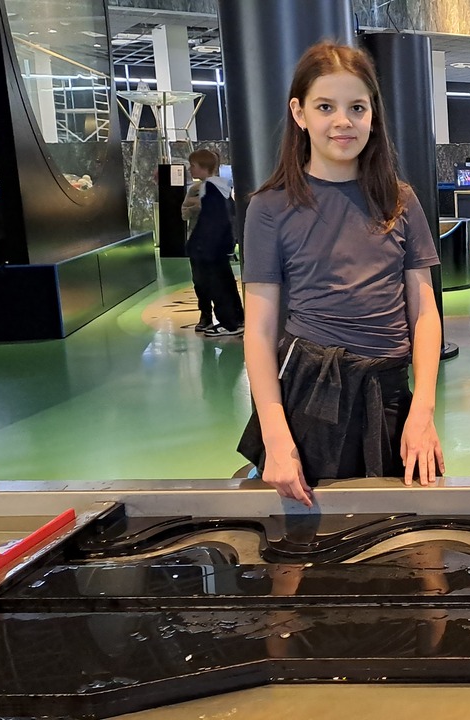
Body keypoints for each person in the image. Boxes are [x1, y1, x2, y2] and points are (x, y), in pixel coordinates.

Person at [237, 41, 445, 506]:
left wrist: (423, 411)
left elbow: (424, 313)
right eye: (325, 107)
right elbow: (260, 330)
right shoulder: (269, 208)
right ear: (299, 113)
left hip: (390, 394)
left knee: (402, 530)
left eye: (357, 107)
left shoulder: (400, 200)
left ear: (373, 114)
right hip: (311, 397)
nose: (343, 121)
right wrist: (275, 436)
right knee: (313, 534)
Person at [181, 148, 244, 336]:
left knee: (217, 285)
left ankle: (230, 323)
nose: (190, 169)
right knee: (225, 282)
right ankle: (236, 319)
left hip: (209, 249)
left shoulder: (210, 189)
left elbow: (212, 221)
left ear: (203, 167)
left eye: (193, 165)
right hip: (217, 248)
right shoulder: (220, 188)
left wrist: (201, 246)